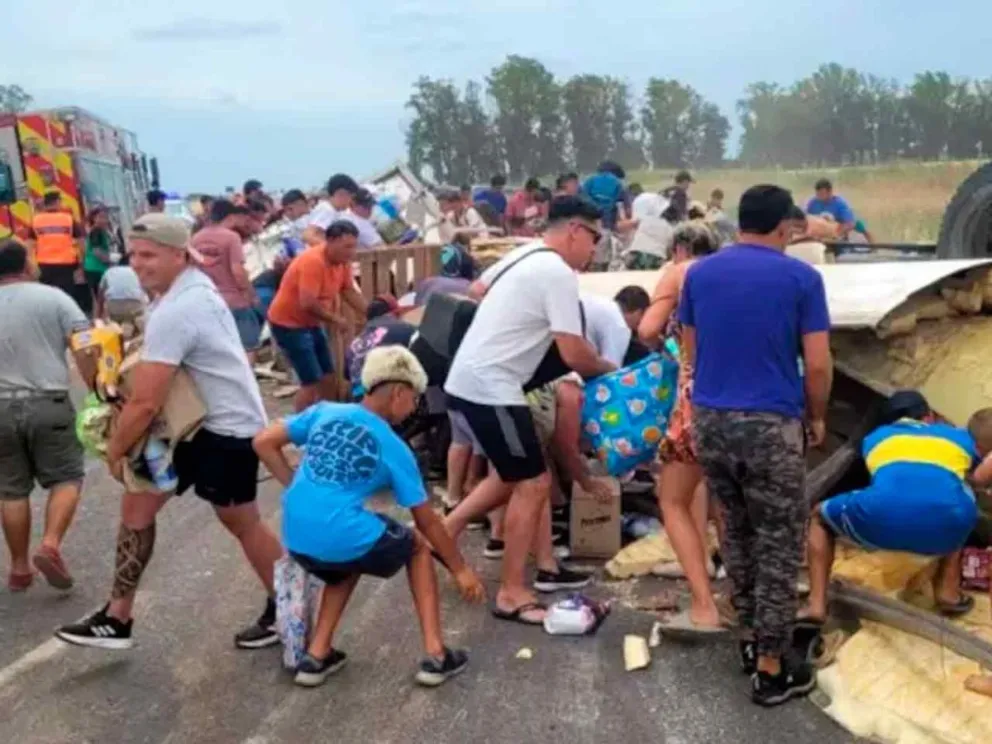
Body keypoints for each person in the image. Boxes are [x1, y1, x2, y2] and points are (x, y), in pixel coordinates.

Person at [54, 215, 284, 650]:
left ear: (180, 254)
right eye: (134, 254)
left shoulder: (180, 308)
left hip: (223, 430)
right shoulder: (185, 290)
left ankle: (291, 607)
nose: (138, 264)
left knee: (241, 520)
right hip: (188, 427)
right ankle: (117, 616)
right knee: (137, 505)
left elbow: (144, 403)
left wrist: (115, 448)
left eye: (150, 255)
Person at [679, 184, 833, 706]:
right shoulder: (801, 279)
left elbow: (690, 351)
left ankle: (750, 638)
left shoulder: (698, 274)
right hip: (770, 424)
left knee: (737, 532)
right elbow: (816, 363)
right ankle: (771, 667)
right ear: (785, 227)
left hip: (712, 422)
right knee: (779, 542)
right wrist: (816, 416)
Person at [253, 346, 484, 687]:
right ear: (399, 393)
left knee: (349, 556)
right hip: (338, 533)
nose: (414, 408)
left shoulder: (325, 411)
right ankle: (436, 655)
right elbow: (426, 520)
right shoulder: (394, 447)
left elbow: (263, 442)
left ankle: (316, 658)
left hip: (296, 532)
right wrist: (460, 569)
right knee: (417, 545)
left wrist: (295, 487)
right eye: (415, 400)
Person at [443, 196, 616, 624]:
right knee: (534, 482)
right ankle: (513, 592)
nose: (593, 250)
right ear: (575, 230)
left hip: (472, 377)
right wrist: (611, 369)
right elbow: (574, 352)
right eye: (594, 238)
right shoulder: (556, 271)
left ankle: (442, 532)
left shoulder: (525, 251)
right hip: (492, 386)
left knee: (511, 473)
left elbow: (476, 290)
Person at [802, 391, 986, 629]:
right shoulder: (957, 436)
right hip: (947, 522)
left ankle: (816, 603)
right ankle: (948, 593)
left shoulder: (874, 438)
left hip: (880, 516)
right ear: (929, 416)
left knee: (819, 517)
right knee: (956, 503)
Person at [637, 223, 723, 633]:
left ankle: (704, 605)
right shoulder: (730, 271)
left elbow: (647, 329)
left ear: (680, 248)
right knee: (724, 496)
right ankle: (741, 595)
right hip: (741, 394)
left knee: (672, 497)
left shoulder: (679, 272)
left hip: (696, 393)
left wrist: (671, 352)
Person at [0, 239, 90, 592]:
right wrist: (99, 389)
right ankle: (50, 544)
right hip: (47, 402)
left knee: (10, 490)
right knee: (67, 477)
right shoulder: (55, 298)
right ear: (26, 264)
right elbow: (85, 347)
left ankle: (20, 568)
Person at [267, 221, 368, 412]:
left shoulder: (342, 262)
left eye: (354, 246)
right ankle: (299, 431)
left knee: (328, 376)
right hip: (289, 324)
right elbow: (308, 302)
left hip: (311, 323)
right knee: (310, 382)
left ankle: (328, 418)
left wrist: (371, 313)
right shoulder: (313, 262)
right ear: (330, 241)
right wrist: (336, 319)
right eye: (347, 246)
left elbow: (348, 291)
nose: (351, 252)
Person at [192, 199, 260, 360]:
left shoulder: (195, 239)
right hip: (234, 301)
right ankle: (245, 381)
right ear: (231, 217)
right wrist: (250, 294)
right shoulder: (231, 238)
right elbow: (238, 271)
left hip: (207, 300)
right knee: (248, 346)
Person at [345, 295, 417, 398]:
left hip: (360, 398)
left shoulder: (355, 343)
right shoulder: (403, 328)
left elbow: (348, 376)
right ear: (394, 313)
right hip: (385, 397)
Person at [26, 191, 87, 307]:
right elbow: (82, 244)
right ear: (57, 202)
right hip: (66, 265)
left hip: (44, 265)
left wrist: (31, 266)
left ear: (45, 204)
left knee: (48, 296)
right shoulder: (69, 219)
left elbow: (29, 246)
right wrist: (83, 264)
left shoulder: (36, 221)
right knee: (66, 296)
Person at [96, 256, 147, 327]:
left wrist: (98, 318)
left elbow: (100, 297)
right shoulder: (136, 271)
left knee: (116, 326)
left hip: (114, 306)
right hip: (135, 305)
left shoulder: (109, 271)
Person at [83, 206, 114, 307]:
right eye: (100, 217)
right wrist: (110, 261)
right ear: (93, 218)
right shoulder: (96, 231)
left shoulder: (100, 231)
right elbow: (97, 251)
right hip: (96, 269)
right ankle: (102, 320)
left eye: (105, 217)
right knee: (102, 300)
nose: (104, 220)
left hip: (95, 268)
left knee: (100, 299)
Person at [582, 162, 626, 231]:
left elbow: (583, 196)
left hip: (590, 217)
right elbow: (619, 204)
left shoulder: (590, 180)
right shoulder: (618, 183)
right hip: (606, 218)